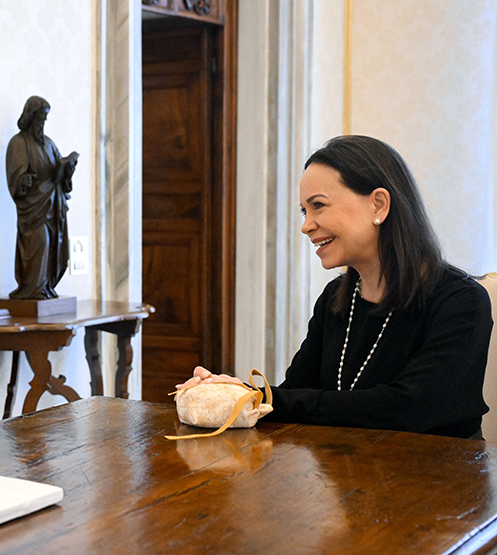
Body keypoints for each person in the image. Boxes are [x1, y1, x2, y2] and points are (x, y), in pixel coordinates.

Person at [178, 135, 492, 439]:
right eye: (304, 210)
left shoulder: (461, 301)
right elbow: (296, 393)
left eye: (318, 206)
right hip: (346, 476)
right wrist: (233, 395)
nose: (306, 225)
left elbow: (408, 408)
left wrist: (261, 399)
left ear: (378, 205)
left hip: (439, 481)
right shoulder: (336, 298)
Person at [5, 96, 79, 300]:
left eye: (45, 119)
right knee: (40, 242)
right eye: (40, 118)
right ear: (30, 116)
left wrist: (68, 171)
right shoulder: (18, 143)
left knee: (55, 247)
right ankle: (32, 290)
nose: (43, 123)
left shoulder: (49, 144)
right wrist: (23, 181)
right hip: (34, 210)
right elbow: (14, 178)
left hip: (53, 206)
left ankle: (45, 288)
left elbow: (58, 174)